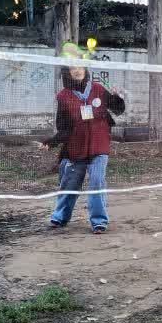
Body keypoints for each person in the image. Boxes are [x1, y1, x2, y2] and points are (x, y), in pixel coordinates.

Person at [40, 42, 125, 233]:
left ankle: (99, 221)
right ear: (67, 72)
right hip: (76, 147)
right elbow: (63, 128)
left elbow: (118, 109)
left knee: (97, 181)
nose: (77, 70)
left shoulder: (99, 89)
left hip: (99, 145)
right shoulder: (63, 97)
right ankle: (60, 217)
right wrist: (52, 142)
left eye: (80, 66)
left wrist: (117, 97)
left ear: (85, 69)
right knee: (70, 183)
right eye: (72, 68)